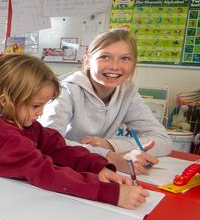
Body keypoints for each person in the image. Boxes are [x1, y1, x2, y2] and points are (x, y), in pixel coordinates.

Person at [0, 54, 148, 210]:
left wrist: (98, 167)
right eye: (35, 106)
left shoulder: (27, 127)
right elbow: (47, 172)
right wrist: (109, 193)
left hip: (3, 197)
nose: (40, 112)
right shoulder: (6, 137)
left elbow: (61, 150)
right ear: (5, 101)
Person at [39, 29, 171, 174]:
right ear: (87, 61)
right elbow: (48, 143)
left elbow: (163, 141)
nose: (115, 66)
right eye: (105, 57)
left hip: (94, 168)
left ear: (134, 64)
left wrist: (111, 145)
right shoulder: (65, 90)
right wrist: (109, 156)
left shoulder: (127, 92)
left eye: (125, 58)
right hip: (59, 168)